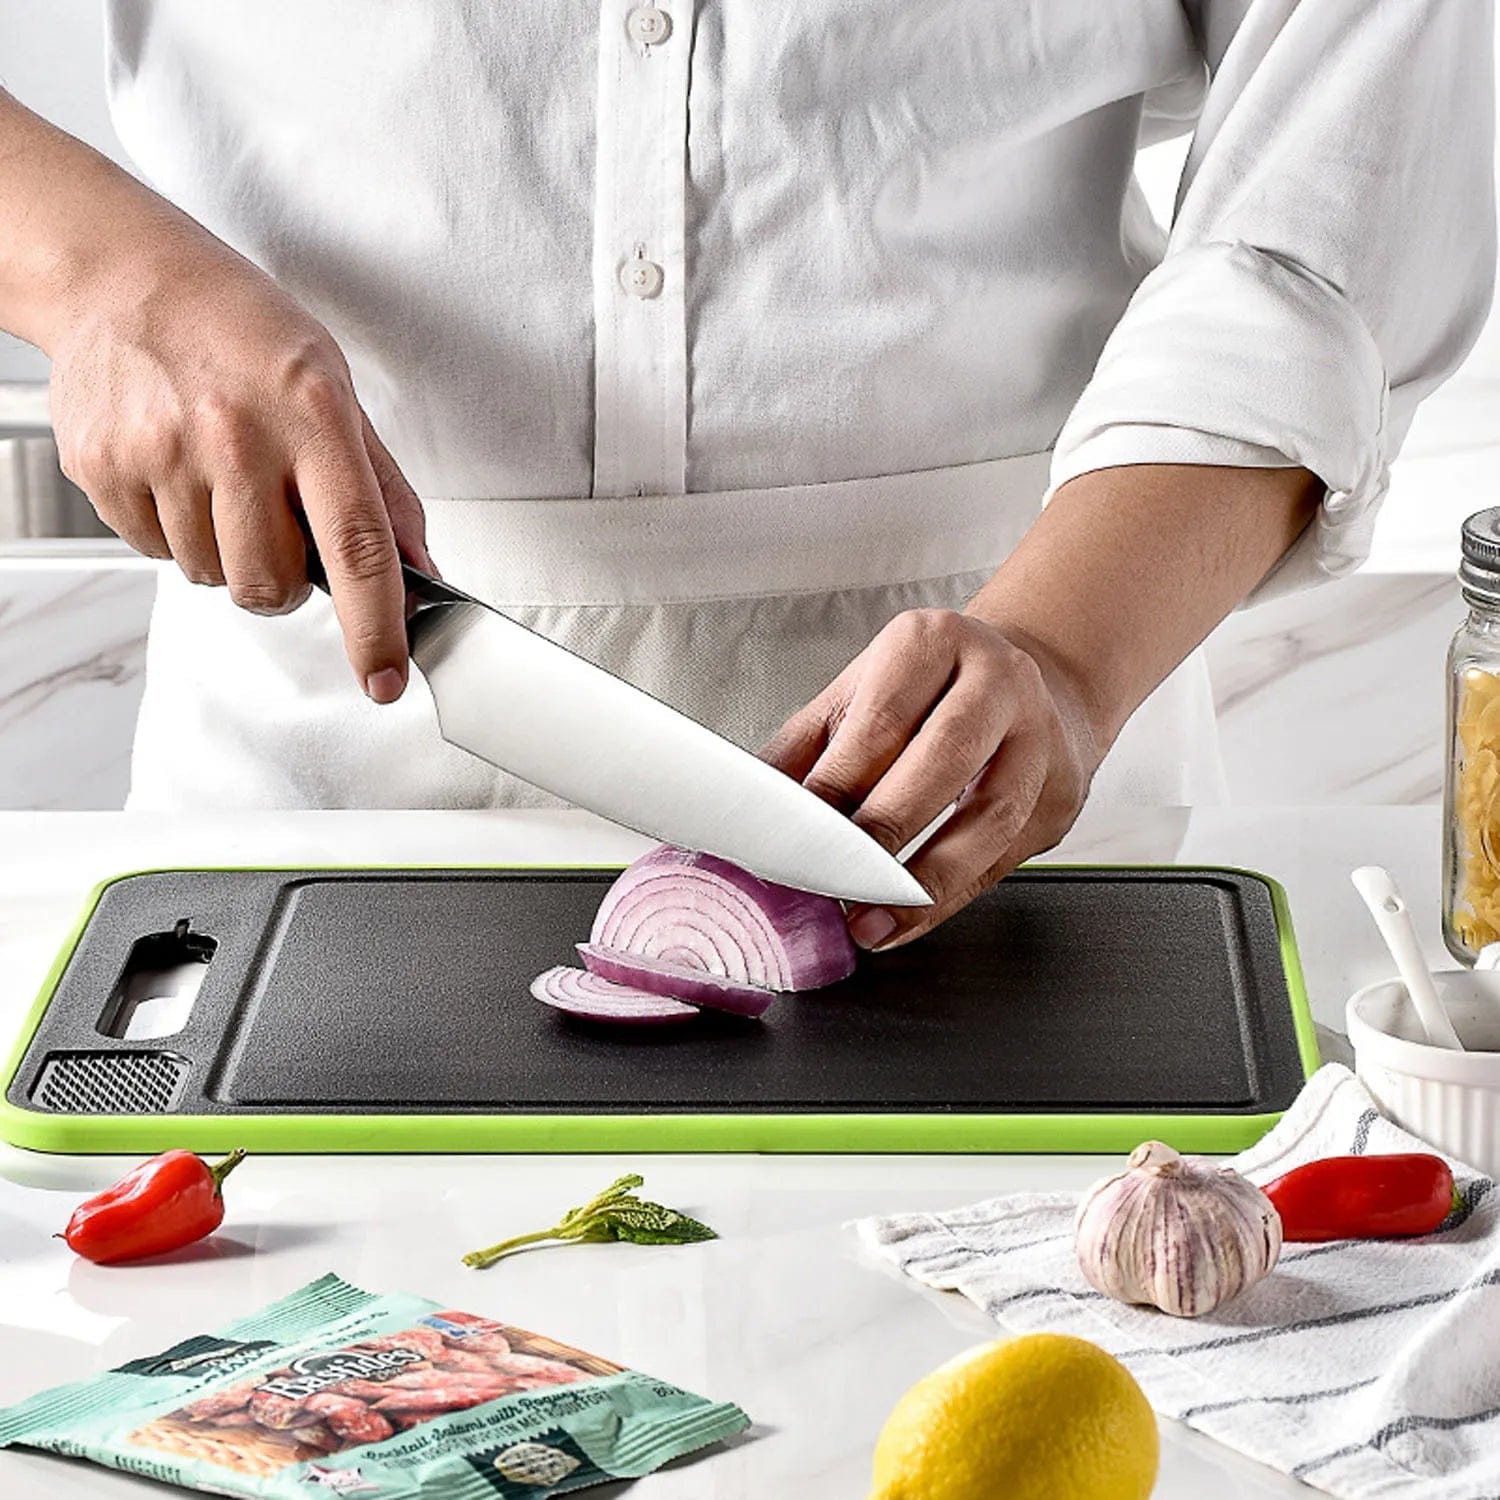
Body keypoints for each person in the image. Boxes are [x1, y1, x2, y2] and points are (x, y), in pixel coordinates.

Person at [0, 2, 1492, 952]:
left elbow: (1338, 193)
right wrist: (102, 279)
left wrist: (1062, 655)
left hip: (1010, 799)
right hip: (308, 759)